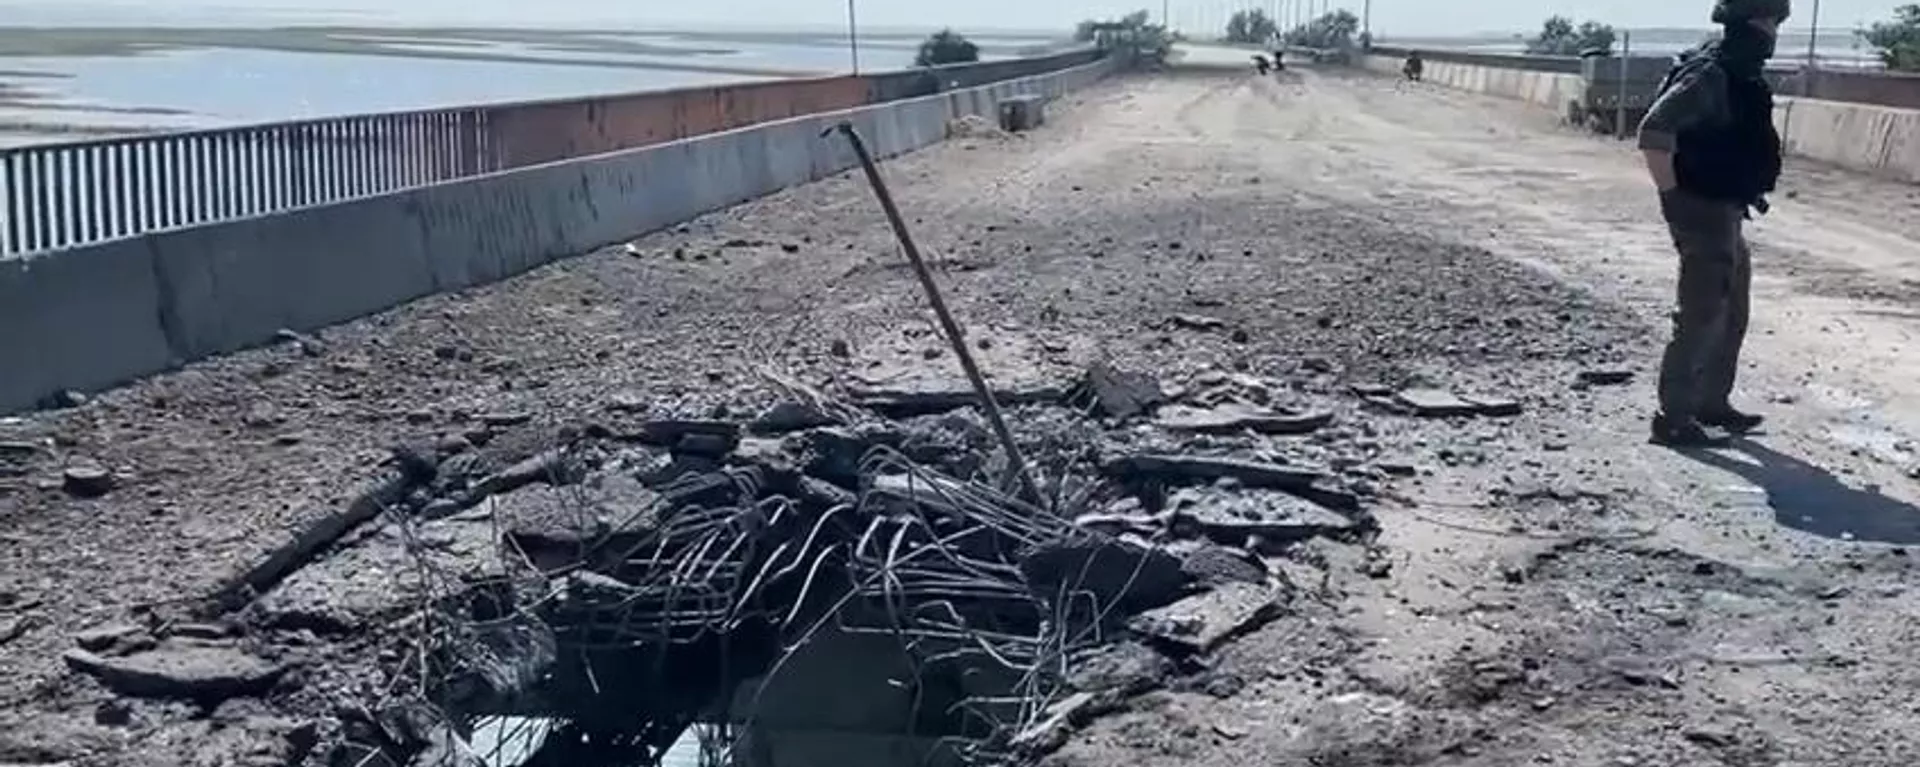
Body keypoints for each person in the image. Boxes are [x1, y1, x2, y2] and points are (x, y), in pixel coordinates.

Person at [1636, 0, 1788, 446]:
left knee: (1733, 309)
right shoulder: (1711, 74)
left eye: (1775, 22)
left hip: (1726, 207)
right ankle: (1674, 417)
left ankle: (1710, 403)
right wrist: (1673, 199)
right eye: (1767, 21)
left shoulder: (1741, 73)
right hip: (1701, 207)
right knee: (1702, 311)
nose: (1772, 31)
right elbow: (1653, 132)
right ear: (1744, 24)